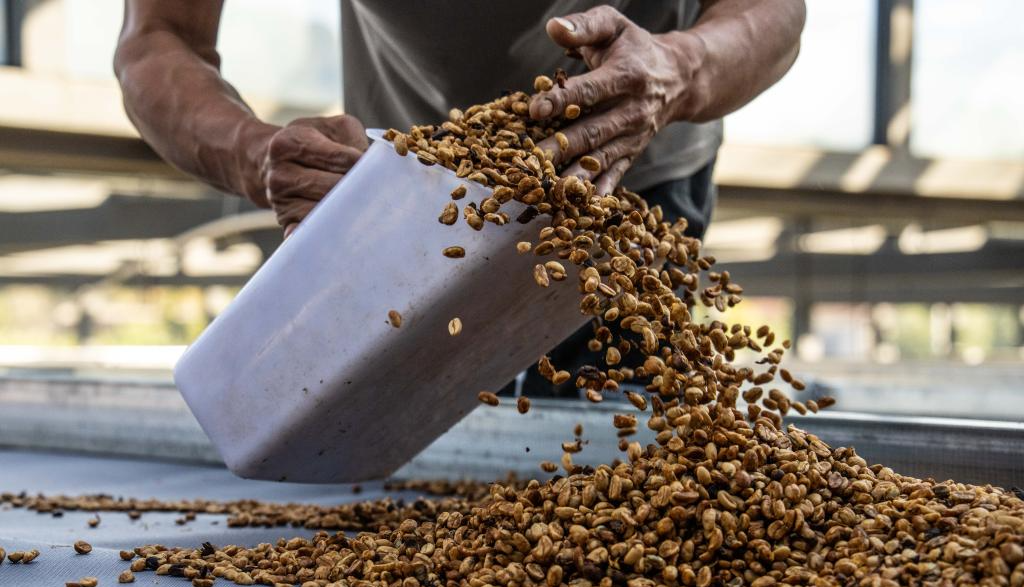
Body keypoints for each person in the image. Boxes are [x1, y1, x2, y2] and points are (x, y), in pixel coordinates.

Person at [115, 0, 805, 394]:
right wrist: (256, 152)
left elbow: (776, 12)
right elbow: (158, 38)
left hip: (621, 172)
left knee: (607, 481)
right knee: (404, 488)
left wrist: (681, 68)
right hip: (403, 193)